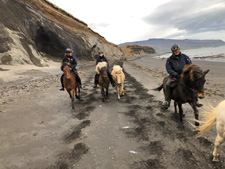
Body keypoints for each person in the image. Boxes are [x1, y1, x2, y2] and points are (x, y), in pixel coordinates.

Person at [162, 44, 192, 109]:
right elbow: (169, 69)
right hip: (174, 75)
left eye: (177, 50)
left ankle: (196, 99)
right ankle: (167, 101)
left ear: (179, 49)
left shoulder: (184, 56)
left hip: (184, 75)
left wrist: (187, 73)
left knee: (193, 81)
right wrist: (176, 75)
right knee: (167, 84)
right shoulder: (169, 60)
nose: (176, 51)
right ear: (172, 51)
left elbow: (190, 65)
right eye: (175, 50)